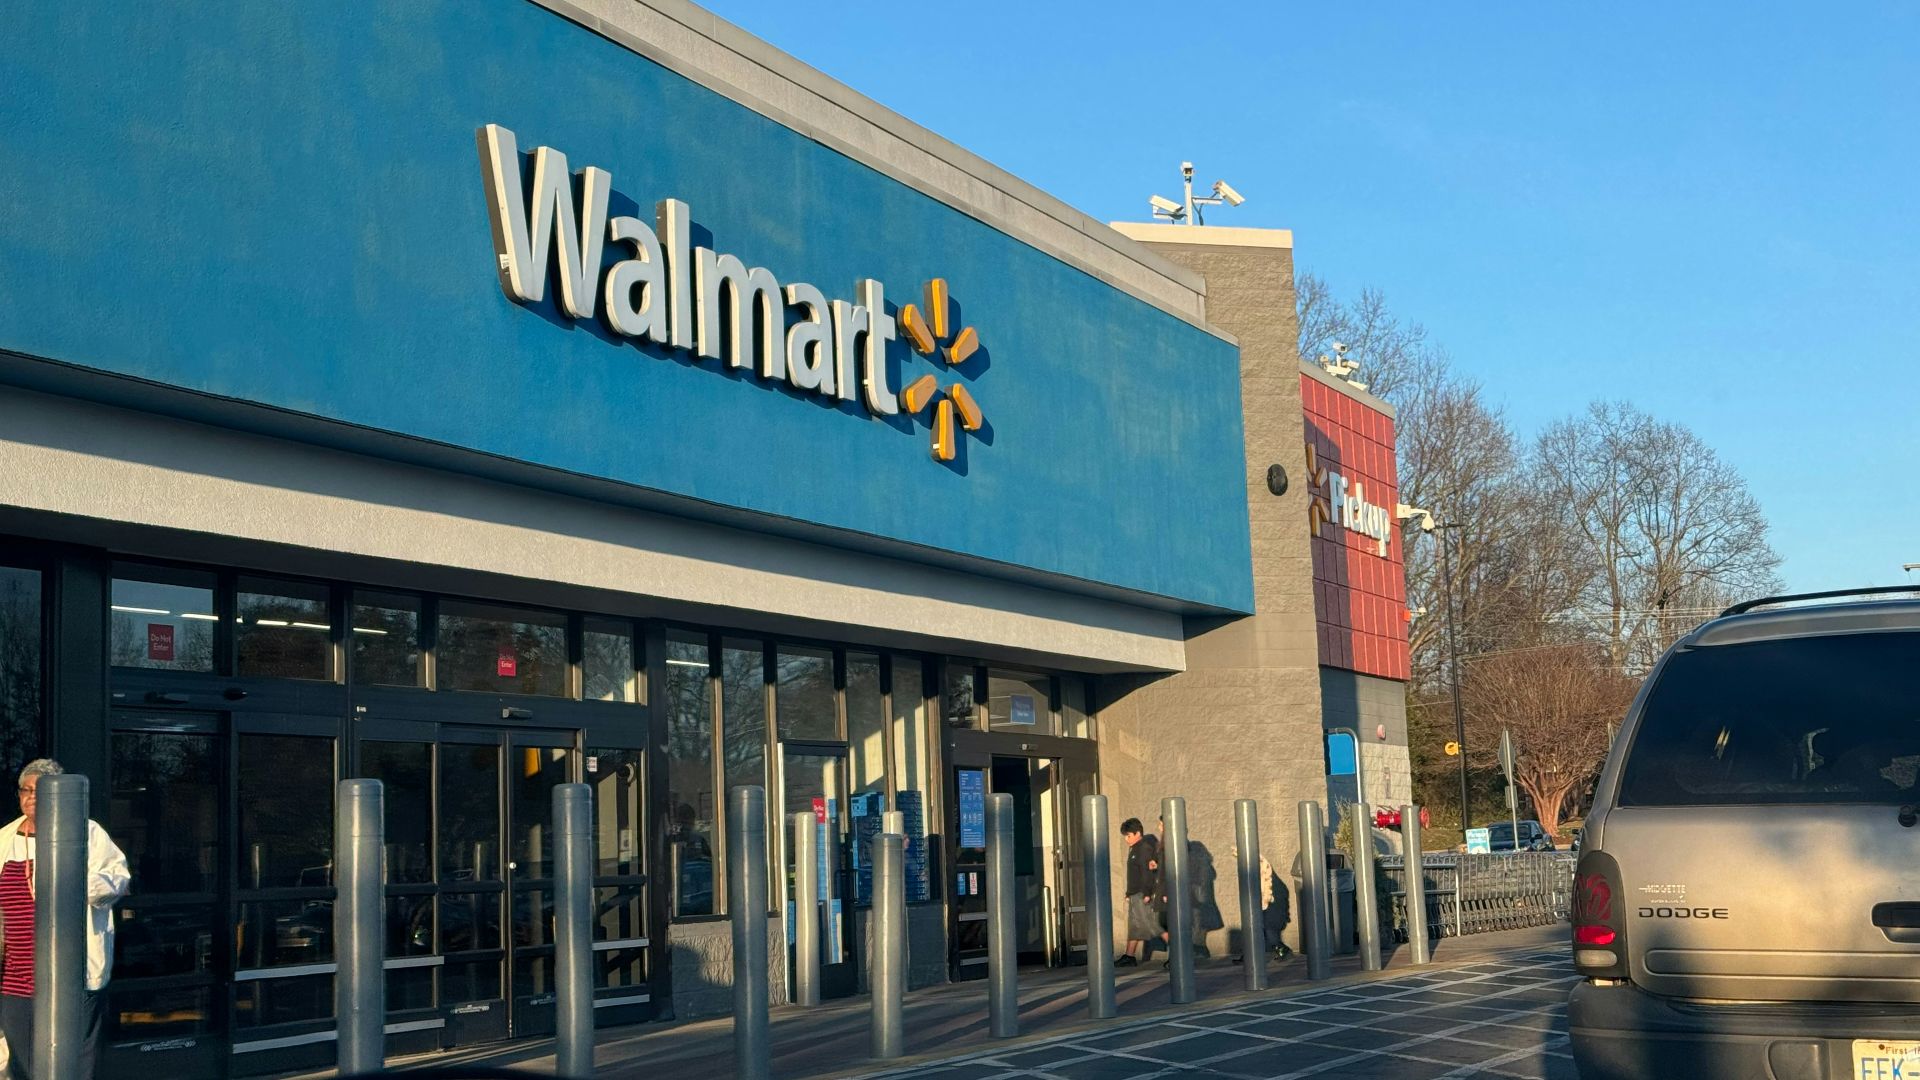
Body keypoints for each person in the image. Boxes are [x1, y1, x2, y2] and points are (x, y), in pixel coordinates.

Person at [0, 759, 130, 1080]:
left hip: (70, 974)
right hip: (15, 976)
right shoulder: (4, 838)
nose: (30, 797)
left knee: (72, 1061)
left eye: (38, 791)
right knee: (22, 1061)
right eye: (25, 791)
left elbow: (118, 880)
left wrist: (67, 875)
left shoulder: (85, 832)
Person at [1118, 817, 1159, 967]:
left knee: (1155, 926)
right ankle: (1129, 956)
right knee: (1134, 926)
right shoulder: (1135, 849)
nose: (1126, 839)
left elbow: (1146, 873)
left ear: (1137, 833)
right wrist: (1129, 893)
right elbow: (1134, 875)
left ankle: (1178, 953)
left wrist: (1147, 893)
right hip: (1135, 894)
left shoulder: (1143, 848)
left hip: (1142, 894)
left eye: (1128, 836)